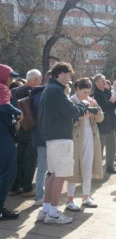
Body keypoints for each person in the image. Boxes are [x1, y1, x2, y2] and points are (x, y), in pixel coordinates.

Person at [36, 62, 87, 224]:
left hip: (53, 139)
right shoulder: (56, 91)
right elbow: (72, 112)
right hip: (60, 139)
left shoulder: (49, 89)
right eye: (69, 75)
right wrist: (81, 104)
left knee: (53, 175)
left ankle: (46, 210)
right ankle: (53, 213)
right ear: (61, 74)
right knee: (60, 176)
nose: (70, 78)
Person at [65, 78, 104, 211]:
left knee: (88, 166)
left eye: (88, 92)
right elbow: (67, 122)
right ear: (77, 89)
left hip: (91, 138)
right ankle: (69, 199)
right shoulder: (71, 101)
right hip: (75, 140)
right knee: (73, 168)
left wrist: (96, 107)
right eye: (84, 92)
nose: (86, 95)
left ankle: (86, 196)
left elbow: (100, 118)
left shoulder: (90, 100)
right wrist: (80, 118)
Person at [9, 69, 42, 198]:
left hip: (19, 129)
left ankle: (14, 187)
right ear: (34, 80)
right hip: (32, 129)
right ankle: (27, 188)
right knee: (30, 160)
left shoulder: (15, 91)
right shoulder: (35, 92)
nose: (40, 82)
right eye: (39, 79)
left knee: (19, 158)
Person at [0, 64, 22, 220]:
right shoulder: (2, 88)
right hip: (3, 137)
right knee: (8, 172)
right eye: (10, 76)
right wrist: (18, 113)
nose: (12, 79)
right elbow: (4, 108)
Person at [31, 70, 52, 206]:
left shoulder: (39, 93)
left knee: (44, 167)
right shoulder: (44, 95)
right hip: (44, 136)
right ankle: (39, 196)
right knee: (43, 167)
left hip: (41, 135)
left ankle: (42, 194)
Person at [92, 74, 116, 174]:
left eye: (105, 80)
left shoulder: (107, 91)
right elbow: (102, 108)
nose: (104, 82)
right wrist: (111, 100)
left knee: (112, 146)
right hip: (102, 125)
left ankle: (110, 166)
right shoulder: (95, 94)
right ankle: (96, 169)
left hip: (111, 123)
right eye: (102, 81)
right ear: (96, 83)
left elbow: (114, 106)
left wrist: (115, 99)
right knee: (99, 148)